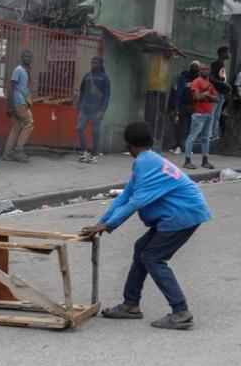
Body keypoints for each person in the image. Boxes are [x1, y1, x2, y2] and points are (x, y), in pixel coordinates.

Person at [81, 122, 210, 330]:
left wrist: (107, 225)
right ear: (150, 141)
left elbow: (136, 202)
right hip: (180, 213)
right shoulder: (146, 160)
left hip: (183, 215)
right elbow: (126, 196)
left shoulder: (145, 162)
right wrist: (99, 224)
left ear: (128, 145)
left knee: (153, 257)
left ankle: (181, 311)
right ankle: (130, 305)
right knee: (142, 248)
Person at [76, 56, 111, 164]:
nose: (93, 64)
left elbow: (107, 96)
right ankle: (84, 152)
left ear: (100, 64)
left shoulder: (104, 78)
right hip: (85, 109)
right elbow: (81, 91)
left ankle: (94, 155)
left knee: (95, 132)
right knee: (79, 128)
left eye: (95, 62)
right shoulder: (87, 76)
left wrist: (102, 111)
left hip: (97, 110)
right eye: (92, 62)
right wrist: (80, 105)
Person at [183, 64, 218, 170]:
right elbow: (197, 97)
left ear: (210, 70)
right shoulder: (196, 82)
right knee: (192, 137)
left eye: (207, 69)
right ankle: (187, 161)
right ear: (200, 71)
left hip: (209, 113)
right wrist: (208, 96)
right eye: (203, 69)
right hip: (199, 113)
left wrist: (206, 96)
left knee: (206, 138)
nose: (205, 71)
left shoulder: (210, 84)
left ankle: (205, 161)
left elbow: (216, 99)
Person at [4, 50, 34, 162]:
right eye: (25, 56)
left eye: (29, 56)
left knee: (16, 128)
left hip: (21, 102)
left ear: (32, 58)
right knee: (29, 124)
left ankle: (8, 153)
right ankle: (19, 151)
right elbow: (11, 88)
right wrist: (10, 107)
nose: (27, 58)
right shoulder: (18, 70)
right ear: (21, 57)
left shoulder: (26, 71)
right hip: (18, 103)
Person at [168, 61, 200, 155]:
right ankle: (178, 145)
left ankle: (187, 147)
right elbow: (177, 93)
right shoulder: (184, 79)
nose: (194, 68)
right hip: (182, 106)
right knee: (179, 127)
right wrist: (175, 107)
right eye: (193, 66)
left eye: (196, 67)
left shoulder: (199, 81)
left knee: (190, 128)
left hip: (193, 107)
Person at [209, 46, 230, 140]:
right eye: (227, 52)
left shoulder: (222, 64)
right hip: (216, 92)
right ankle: (209, 133)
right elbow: (211, 78)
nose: (228, 54)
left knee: (217, 114)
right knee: (212, 113)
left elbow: (220, 78)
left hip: (221, 93)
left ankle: (214, 133)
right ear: (222, 53)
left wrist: (225, 87)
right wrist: (224, 84)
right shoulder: (217, 64)